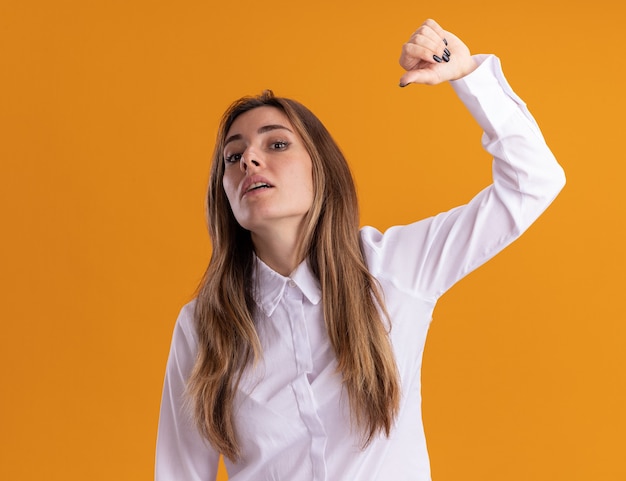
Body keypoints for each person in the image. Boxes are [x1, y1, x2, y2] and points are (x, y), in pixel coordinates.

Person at [155, 18, 565, 481]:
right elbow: (180, 472)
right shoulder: (202, 325)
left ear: (320, 168)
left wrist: (467, 72)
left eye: (277, 143)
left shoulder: (395, 268)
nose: (250, 158)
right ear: (224, 191)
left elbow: (533, 182)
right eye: (233, 156)